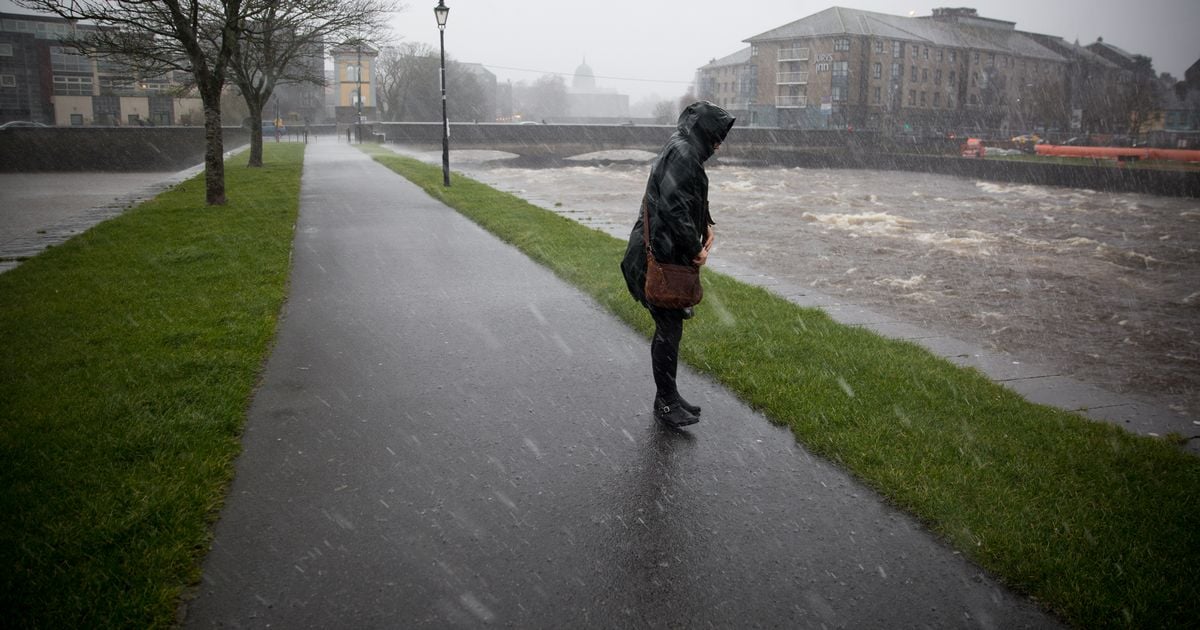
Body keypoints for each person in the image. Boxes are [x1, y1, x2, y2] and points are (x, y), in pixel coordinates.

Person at [620, 101, 735, 428]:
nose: (718, 144)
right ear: (705, 131)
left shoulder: (681, 147)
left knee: (670, 328)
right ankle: (666, 402)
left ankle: (669, 396)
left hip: (660, 252)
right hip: (661, 257)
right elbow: (673, 209)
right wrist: (695, 248)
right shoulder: (685, 155)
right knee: (669, 331)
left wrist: (706, 223)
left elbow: (686, 198)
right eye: (717, 136)